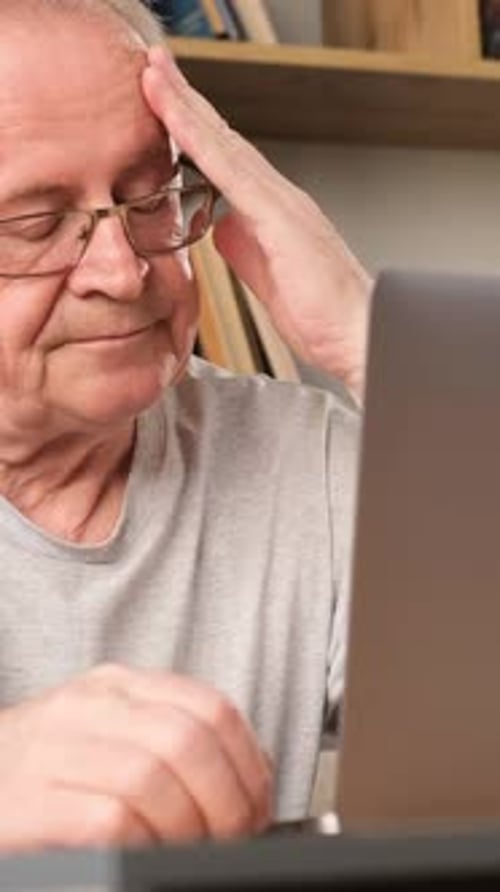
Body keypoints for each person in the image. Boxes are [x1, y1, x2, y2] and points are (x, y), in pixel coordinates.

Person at [0, 0, 372, 852]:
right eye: (35, 222)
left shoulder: (303, 463)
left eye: (149, 193)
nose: (124, 271)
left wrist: (372, 340)